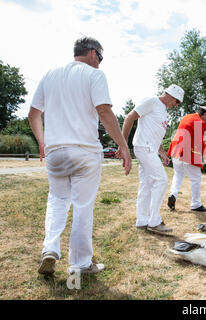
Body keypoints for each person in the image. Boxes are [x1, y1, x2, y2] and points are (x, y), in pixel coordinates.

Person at [29, 37, 132, 276]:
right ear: (94, 54)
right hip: (84, 150)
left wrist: (42, 143)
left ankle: (50, 248)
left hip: (55, 150)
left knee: (57, 200)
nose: (100, 63)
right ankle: (80, 264)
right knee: (83, 207)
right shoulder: (94, 75)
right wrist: (123, 145)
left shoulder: (50, 74)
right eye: (101, 58)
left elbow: (33, 114)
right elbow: (104, 110)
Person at [120, 84, 184, 234]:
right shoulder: (151, 101)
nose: (176, 105)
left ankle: (142, 220)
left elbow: (155, 135)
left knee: (147, 184)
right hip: (144, 147)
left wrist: (161, 153)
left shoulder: (162, 111)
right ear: (170, 95)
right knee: (161, 180)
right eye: (176, 102)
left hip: (149, 148)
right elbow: (129, 117)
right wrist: (123, 144)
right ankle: (154, 221)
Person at [167, 106, 206, 212]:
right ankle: (196, 204)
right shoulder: (200, 122)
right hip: (187, 151)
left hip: (176, 149)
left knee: (178, 174)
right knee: (196, 177)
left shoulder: (186, 117)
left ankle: (173, 194)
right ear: (205, 114)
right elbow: (199, 141)